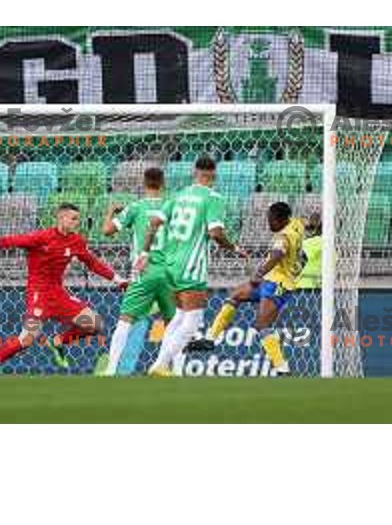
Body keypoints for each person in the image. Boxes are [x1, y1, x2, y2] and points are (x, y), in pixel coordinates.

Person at [0, 203, 127, 373]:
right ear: (61, 218)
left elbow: (93, 263)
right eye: (73, 219)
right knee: (27, 339)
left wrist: (118, 280)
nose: (76, 222)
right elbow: (10, 241)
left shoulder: (76, 241)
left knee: (95, 324)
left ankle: (58, 341)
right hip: (38, 295)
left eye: (77, 219)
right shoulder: (41, 237)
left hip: (59, 295)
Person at [134, 155, 247, 376]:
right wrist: (233, 248)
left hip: (170, 264)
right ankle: (159, 365)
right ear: (213, 175)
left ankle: (163, 365)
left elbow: (153, 223)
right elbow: (215, 233)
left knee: (178, 316)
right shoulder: (213, 197)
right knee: (192, 321)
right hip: (191, 266)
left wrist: (145, 252)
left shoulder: (178, 196)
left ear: (195, 173)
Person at [189, 202, 305, 376]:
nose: (269, 224)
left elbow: (276, 256)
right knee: (235, 295)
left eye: (271, 221)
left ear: (282, 220)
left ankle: (282, 368)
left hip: (279, 285)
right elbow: (309, 223)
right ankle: (210, 339)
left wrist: (258, 274)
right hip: (269, 280)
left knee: (262, 325)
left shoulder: (284, 237)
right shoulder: (297, 224)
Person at [101, 167, 175, 375]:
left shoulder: (135, 207)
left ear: (144, 183)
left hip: (143, 270)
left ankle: (111, 369)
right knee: (174, 322)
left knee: (126, 318)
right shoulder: (172, 207)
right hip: (169, 271)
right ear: (163, 184)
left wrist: (110, 212)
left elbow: (106, 231)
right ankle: (176, 369)